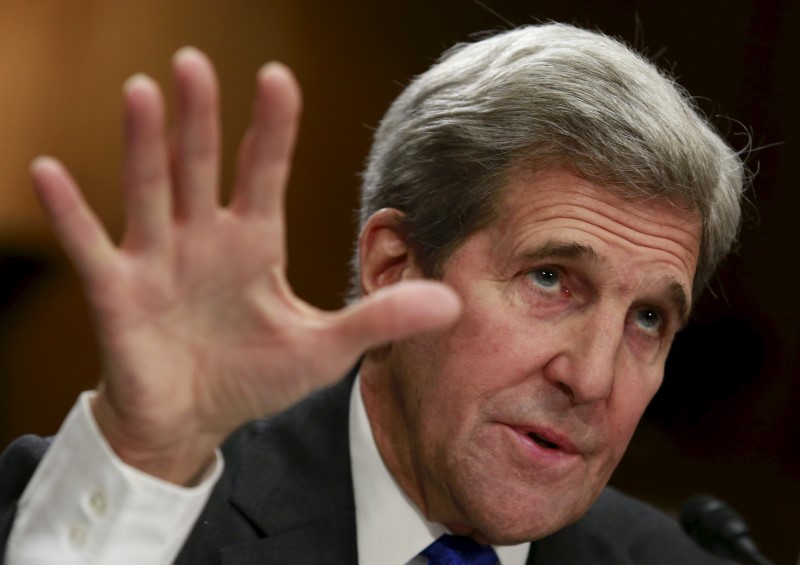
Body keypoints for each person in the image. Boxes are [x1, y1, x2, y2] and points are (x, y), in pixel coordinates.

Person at [0, 23, 744, 564]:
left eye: (648, 317)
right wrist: (146, 453)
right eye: (549, 278)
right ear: (394, 267)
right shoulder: (141, 514)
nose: (593, 378)